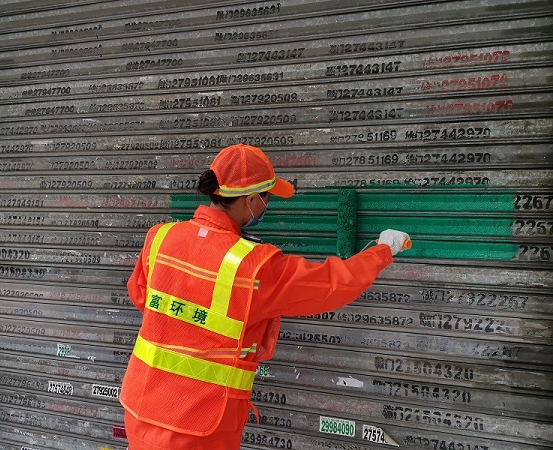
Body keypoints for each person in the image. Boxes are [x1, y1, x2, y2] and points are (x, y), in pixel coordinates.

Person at [119, 144, 410, 450]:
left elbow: (141, 297)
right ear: (250, 200)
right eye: (267, 197)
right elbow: (330, 283)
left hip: (141, 409)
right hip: (198, 425)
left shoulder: (161, 237)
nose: (267, 204)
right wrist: (382, 251)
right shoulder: (253, 267)